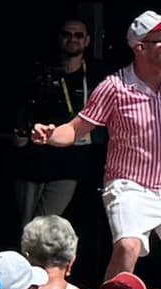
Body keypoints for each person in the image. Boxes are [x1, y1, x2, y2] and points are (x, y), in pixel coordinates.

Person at [31, 10, 161, 283]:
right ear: (140, 47)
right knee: (128, 247)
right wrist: (51, 134)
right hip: (130, 186)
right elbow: (76, 129)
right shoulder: (115, 87)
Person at [19, 12, 100, 228]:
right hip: (35, 156)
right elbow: (24, 107)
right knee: (26, 223)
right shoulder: (40, 72)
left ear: (87, 40)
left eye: (78, 35)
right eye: (67, 34)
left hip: (74, 160)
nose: (72, 39)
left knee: (44, 222)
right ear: (59, 38)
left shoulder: (96, 76)